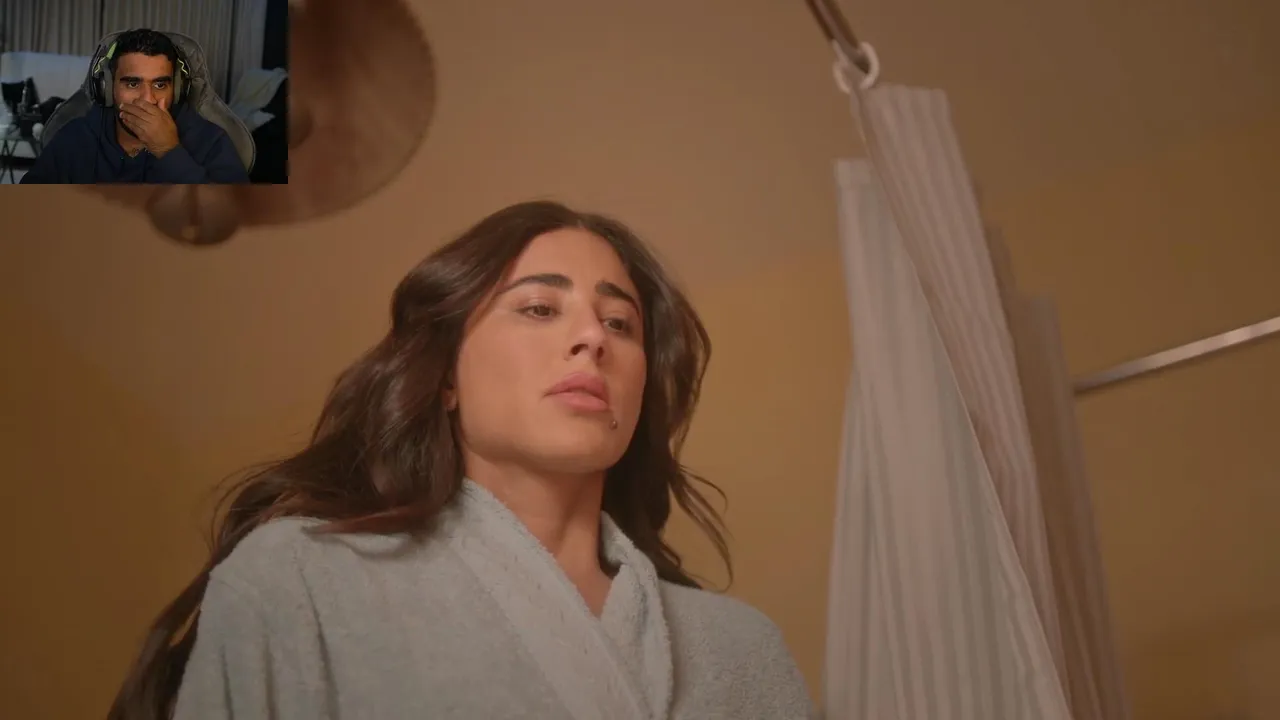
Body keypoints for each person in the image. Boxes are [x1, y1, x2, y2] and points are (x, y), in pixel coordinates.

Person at [108, 201, 814, 719]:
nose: (592, 339)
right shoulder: (300, 578)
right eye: (540, 308)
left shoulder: (740, 649)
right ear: (446, 376)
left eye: (619, 323)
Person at [21, 29, 248, 184]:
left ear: (177, 90)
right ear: (108, 88)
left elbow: (236, 224)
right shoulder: (76, 138)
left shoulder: (210, 142)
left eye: (160, 84)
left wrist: (169, 152)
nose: (147, 99)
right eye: (132, 83)